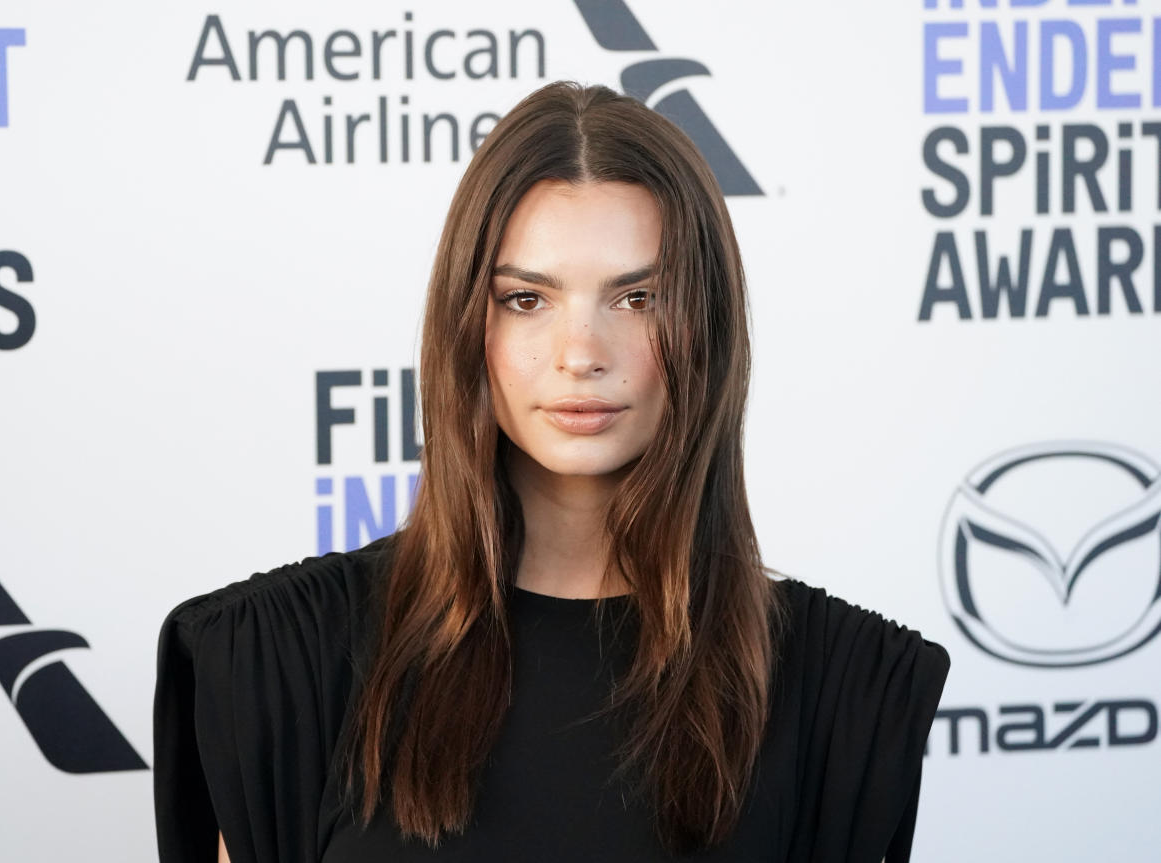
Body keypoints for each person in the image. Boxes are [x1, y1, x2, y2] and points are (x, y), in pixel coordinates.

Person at [153, 80, 951, 863]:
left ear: (705, 325)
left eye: (638, 297)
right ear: (468, 324)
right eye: (527, 300)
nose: (581, 354)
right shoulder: (281, 664)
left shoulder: (843, 690)